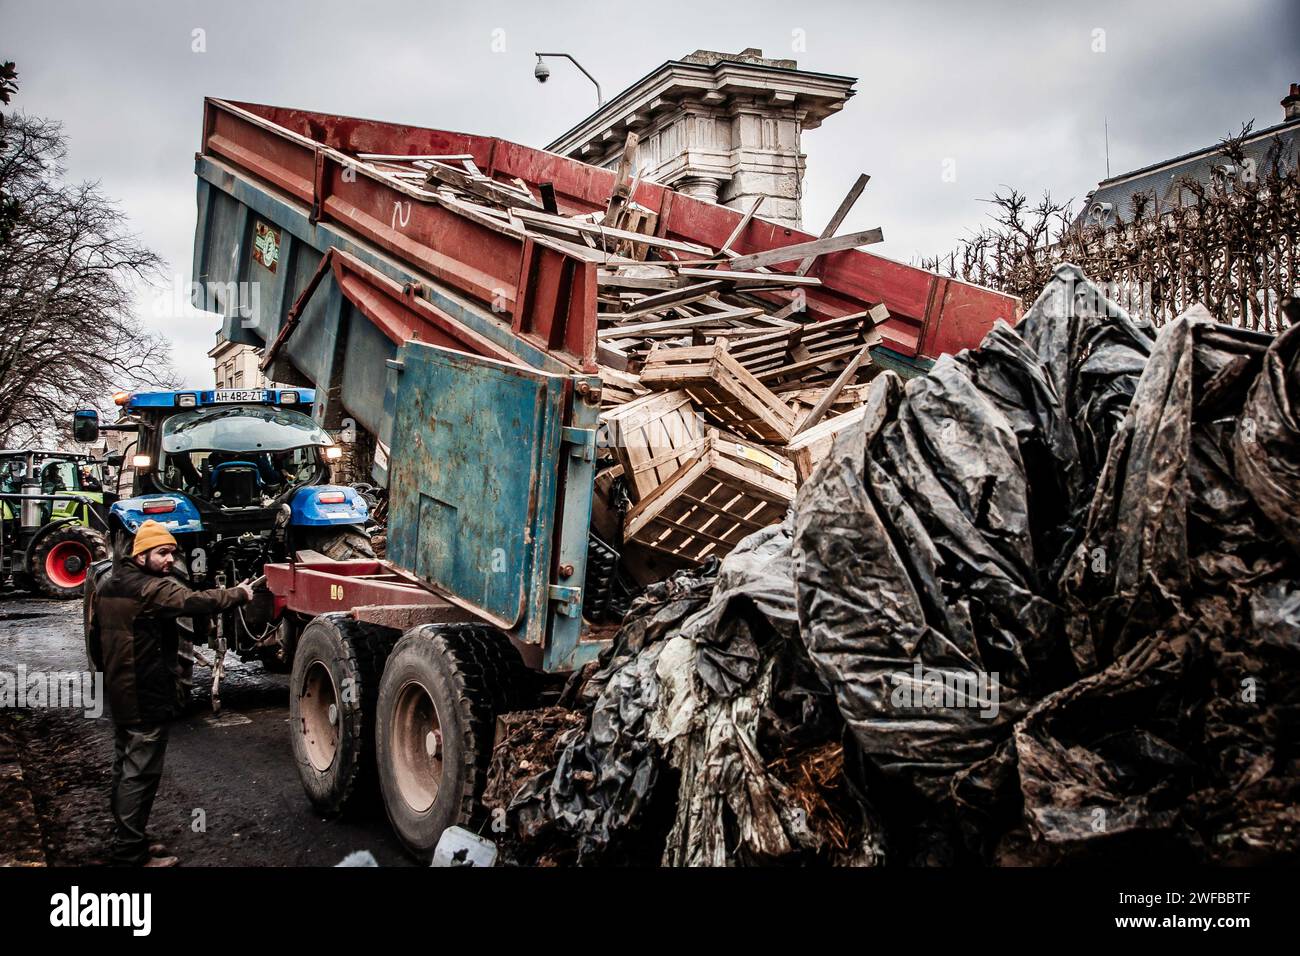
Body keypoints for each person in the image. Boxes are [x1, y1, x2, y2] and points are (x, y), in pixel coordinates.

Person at [95, 520, 254, 867]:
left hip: (121, 690)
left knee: (125, 766)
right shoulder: (149, 590)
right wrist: (239, 594)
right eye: (162, 553)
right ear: (141, 555)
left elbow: (96, 640)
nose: (169, 560)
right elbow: (194, 600)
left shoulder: (108, 585)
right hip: (144, 691)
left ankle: (130, 838)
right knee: (140, 772)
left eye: (172, 553)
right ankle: (130, 854)